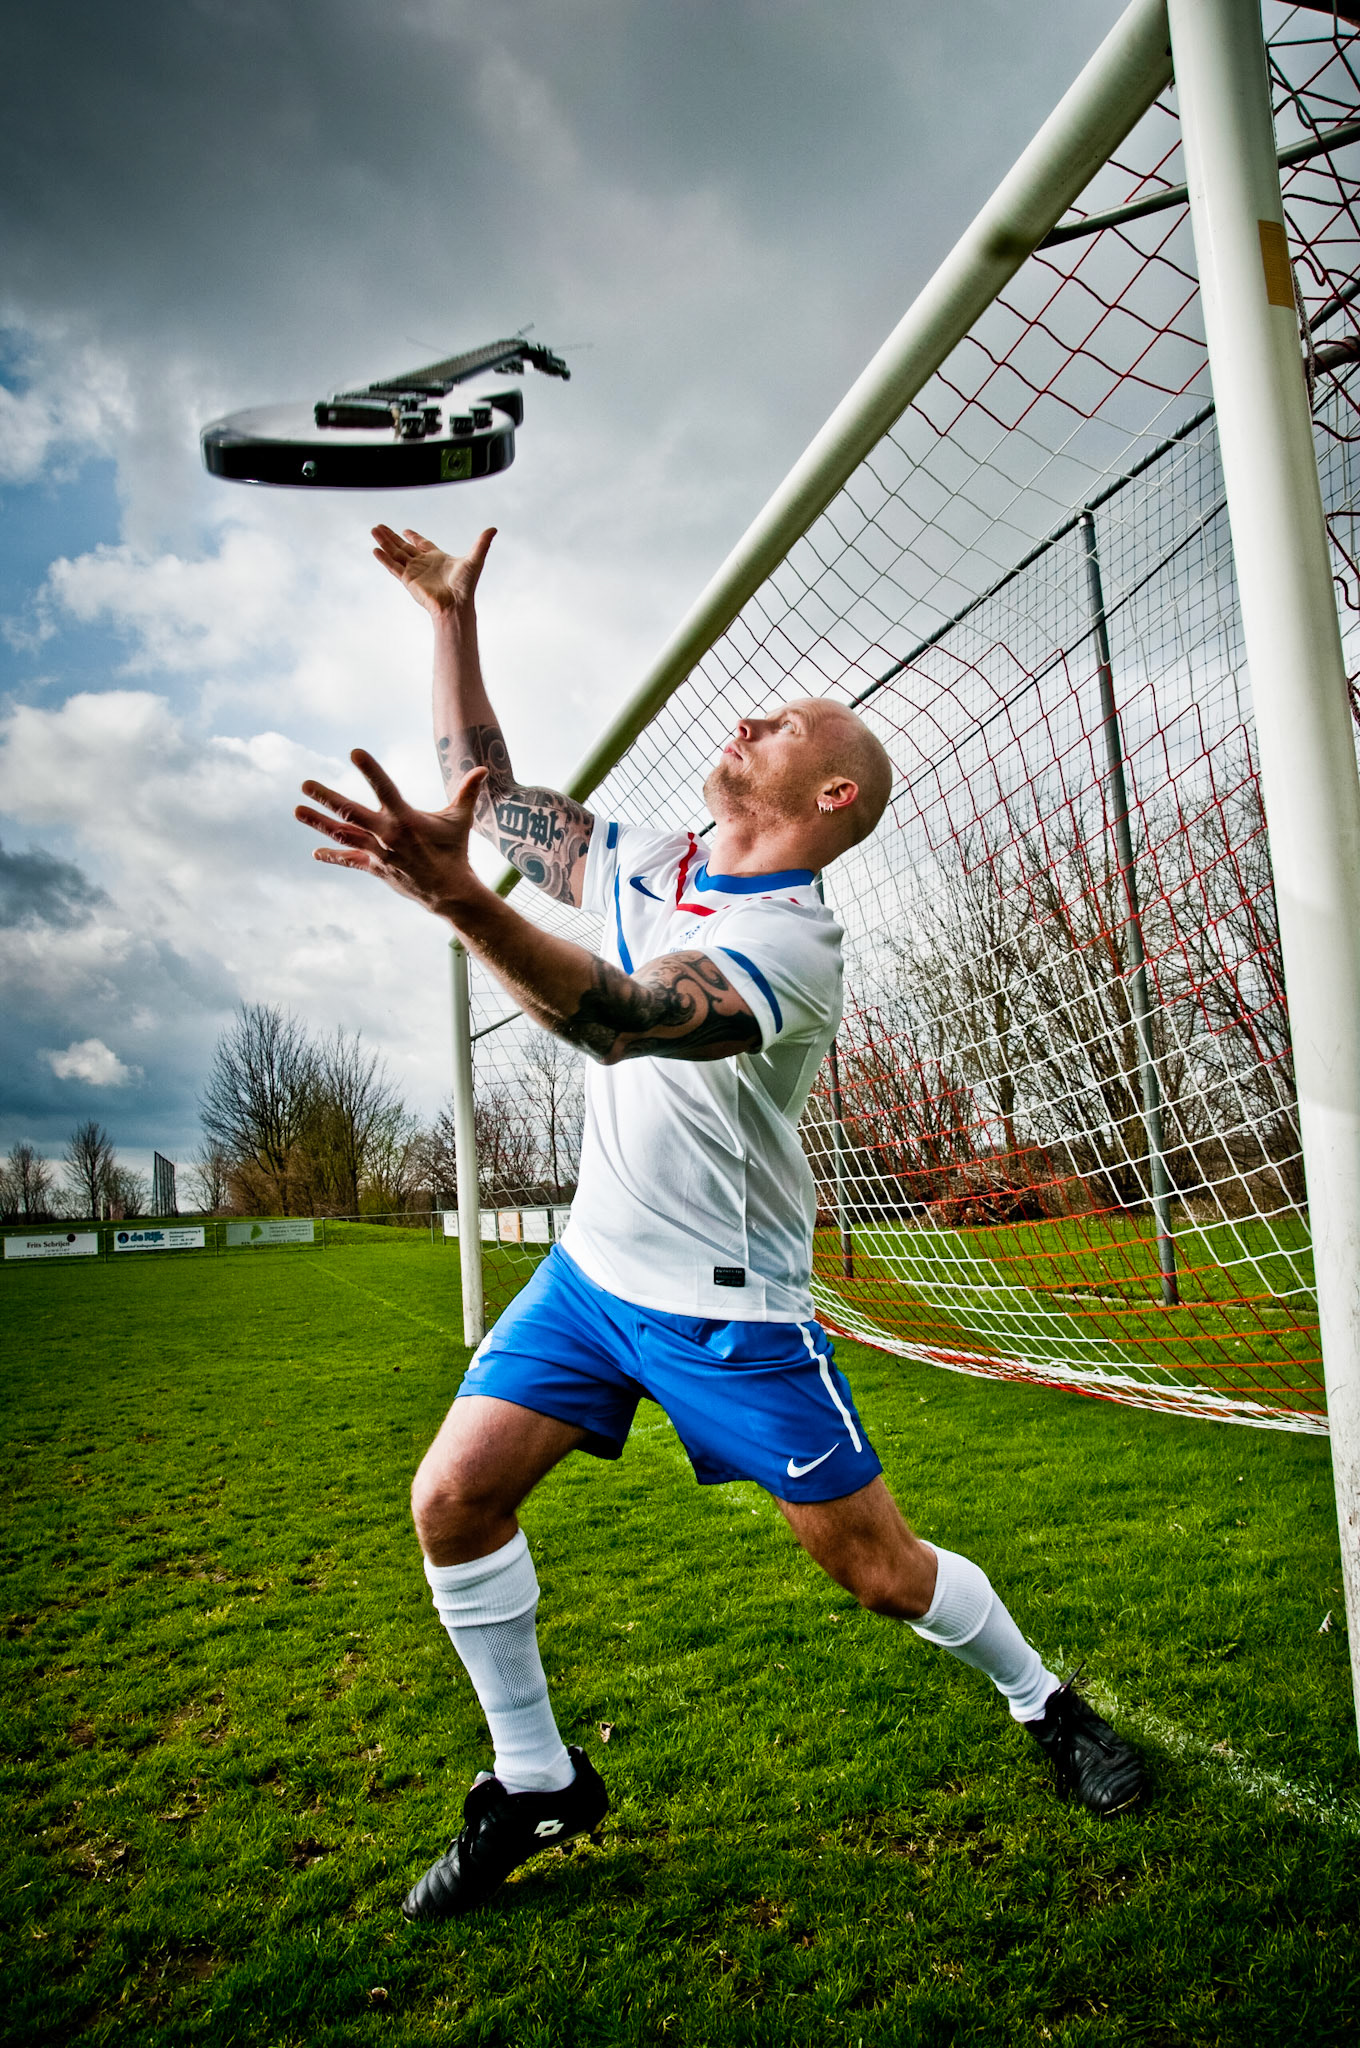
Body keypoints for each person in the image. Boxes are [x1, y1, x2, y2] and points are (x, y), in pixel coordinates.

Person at [294, 524, 1144, 1921]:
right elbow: (489, 798)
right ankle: (538, 1781)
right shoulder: (643, 856)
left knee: (876, 1569)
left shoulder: (796, 949)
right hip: (589, 1277)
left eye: (787, 720)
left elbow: (624, 1022)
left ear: (827, 790)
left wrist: (460, 906)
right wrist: (452, 619)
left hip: (729, 1308)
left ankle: (1044, 1703)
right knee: (450, 1499)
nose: (746, 714)